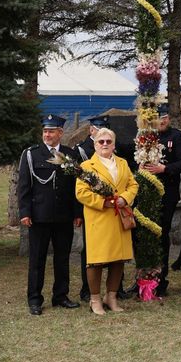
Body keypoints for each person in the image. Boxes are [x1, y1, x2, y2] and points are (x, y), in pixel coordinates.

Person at [18, 114, 83, 315]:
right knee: (37, 259)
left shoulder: (70, 154)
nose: (47, 134)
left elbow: (76, 187)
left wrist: (77, 213)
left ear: (60, 133)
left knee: (62, 258)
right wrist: (25, 212)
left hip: (63, 216)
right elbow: (24, 186)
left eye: (51, 131)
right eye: (45, 131)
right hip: (39, 216)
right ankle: (35, 299)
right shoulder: (31, 154)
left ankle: (61, 296)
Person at [75, 127, 139, 314]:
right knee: (96, 260)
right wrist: (103, 202)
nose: (104, 144)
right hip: (99, 219)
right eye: (101, 141)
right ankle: (95, 299)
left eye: (108, 141)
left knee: (118, 260)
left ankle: (111, 297)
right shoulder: (86, 167)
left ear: (113, 144)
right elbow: (81, 193)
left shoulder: (123, 163)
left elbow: (132, 184)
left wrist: (125, 198)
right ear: (94, 144)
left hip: (120, 218)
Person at [142, 102, 181, 296]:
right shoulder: (144, 136)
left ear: (168, 119)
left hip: (166, 194)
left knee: (161, 236)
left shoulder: (176, 137)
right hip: (146, 194)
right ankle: (144, 279)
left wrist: (165, 169)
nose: (161, 121)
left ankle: (161, 281)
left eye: (164, 117)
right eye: (158, 117)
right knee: (145, 237)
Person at [76, 114, 109, 302]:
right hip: (91, 208)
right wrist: (77, 212)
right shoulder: (82, 151)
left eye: (105, 129)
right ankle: (87, 289)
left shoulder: (112, 147)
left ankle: (115, 288)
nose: (102, 136)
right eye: (97, 130)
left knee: (113, 248)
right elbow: (75, 183)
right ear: (91, 130)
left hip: (112, 209)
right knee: (90, 250)